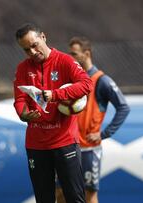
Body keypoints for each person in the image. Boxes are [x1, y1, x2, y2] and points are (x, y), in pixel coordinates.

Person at [13, 23, 93, 203]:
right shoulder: (23, 68)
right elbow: (19, 99)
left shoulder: (64, 61)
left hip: (64, 141)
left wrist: (55, 95)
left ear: (43, 37)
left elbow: (87, 84)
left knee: (75, 198)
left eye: (34, 45)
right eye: (26, 50)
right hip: (36, 144)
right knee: (44, 199)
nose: (32, 52)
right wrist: (23, 114)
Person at [56, 36, 130, 203]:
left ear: (86, 54)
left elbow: (123, 107)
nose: (71, 58)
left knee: (89, 195)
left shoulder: (101, 80)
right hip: (67, 146)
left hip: (89, 149)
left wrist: (103, 133)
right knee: (60, 194)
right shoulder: (70, 79)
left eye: (74, 54)